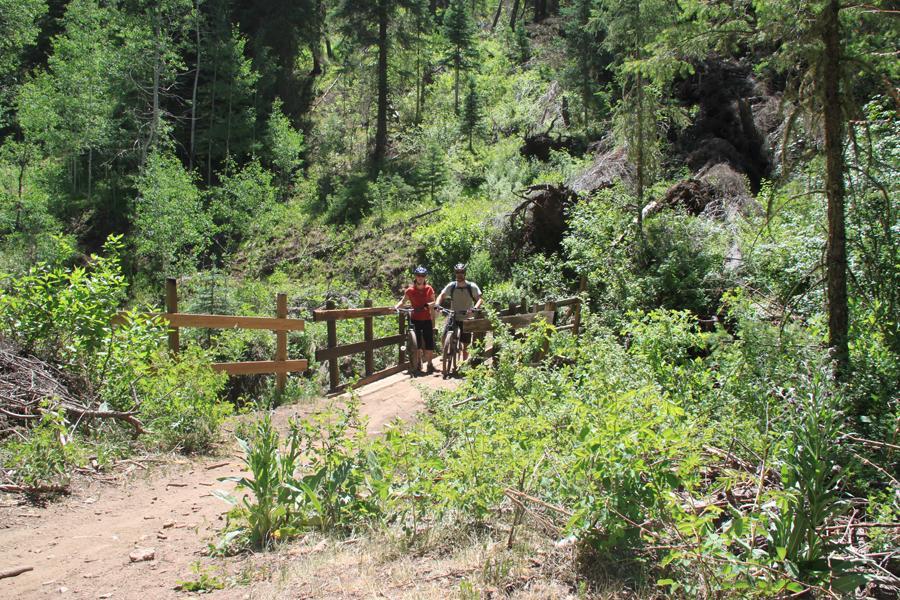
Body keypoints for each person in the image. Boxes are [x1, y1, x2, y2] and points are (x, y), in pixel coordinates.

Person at [435, 263, 483, 360]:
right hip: (454, 315)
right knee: (444, 336)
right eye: (457, 272)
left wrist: (474, 308)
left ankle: (464, 364)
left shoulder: (471, 286)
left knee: (466, 344)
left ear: (464, 273)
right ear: (455, 273)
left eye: (461, 272)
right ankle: (446, 353)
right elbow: (441, 295)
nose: (459, 274)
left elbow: (480, 299)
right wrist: (437, 304)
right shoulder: (452, 286)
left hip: (467, 317)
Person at [394, 265, 437, 374]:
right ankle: (418, 363)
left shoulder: (429, 289)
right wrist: (396, 307)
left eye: (422, 276)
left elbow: (434, 302)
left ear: (425, 277)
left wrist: (428, 305)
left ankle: (430, 364)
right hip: (415, 319)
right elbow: (403, 301)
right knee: (416, 343)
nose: (420, 277)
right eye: (418, 275)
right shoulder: (410, 290)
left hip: (427, 318)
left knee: (429, 343)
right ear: (415, 276)